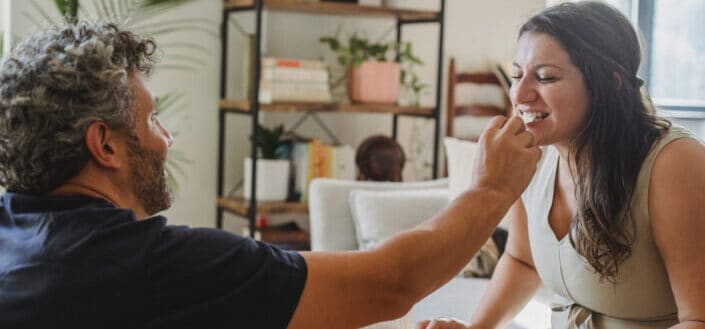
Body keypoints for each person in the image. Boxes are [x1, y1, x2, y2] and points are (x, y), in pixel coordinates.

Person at [0, 22, 541, 329]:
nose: (167, 138)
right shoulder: (150, 266)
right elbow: (389, 283)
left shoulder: (13, 234)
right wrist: (491, 189)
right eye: (151, 119)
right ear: (104, 145)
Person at [417, 2, 705, 329]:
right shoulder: (530, 159)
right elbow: (522, 261)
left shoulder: (675, 163)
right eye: (517, 75)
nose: (520, 94)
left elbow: (699, 317)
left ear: (609, 84)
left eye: (546, 77)